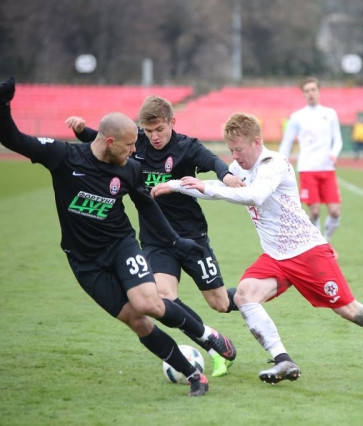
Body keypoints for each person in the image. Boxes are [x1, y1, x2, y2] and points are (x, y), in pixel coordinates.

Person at [151, 112, 363, 386]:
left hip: (308, 253)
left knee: (350, 311)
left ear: (256, 141)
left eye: (238, 149)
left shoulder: (275, 164)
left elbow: (254, 195)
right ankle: (283, 359)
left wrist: (206, 188)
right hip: (275, 257)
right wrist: (175, 185)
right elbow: (212, 185)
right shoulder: (238, 168)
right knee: (245, 295)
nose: (234, 156)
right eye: (230, 150)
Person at [0, 77, 236, 397]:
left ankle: (206, 336)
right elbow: (13, 139)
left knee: (150, 303)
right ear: (110, 142)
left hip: (121, 245)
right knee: (137, 321)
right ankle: (194, 375)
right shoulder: (63, 157)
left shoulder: (130, 168)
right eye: (130, 146)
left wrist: (175, 241)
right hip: (84, 261)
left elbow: (147, 205)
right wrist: (3, 106)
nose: (135, 151)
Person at [65, 95, 243, 377]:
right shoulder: (136, 143)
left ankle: (249, 295)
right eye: (148, 131)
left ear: (172, 122)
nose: (154, 137)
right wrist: (80, 131)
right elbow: (104, 141)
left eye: (159, 129)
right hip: (155, 239)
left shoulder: (187, 147)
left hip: (192, 236)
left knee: (219, 303)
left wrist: (228, 177)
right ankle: (213, 346)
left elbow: (213, 161)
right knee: (164, 298)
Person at [279, 77, 343, 243]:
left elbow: (338, 140)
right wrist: (280, 163)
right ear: (303, 94)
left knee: (335, 211)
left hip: (327, 168)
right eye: (307, 91)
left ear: (319, 91)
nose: (310, 93)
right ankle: (318, 245)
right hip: (307, 168)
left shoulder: (330, 114)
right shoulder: (297, 117)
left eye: (313, 90)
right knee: (314, 212)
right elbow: (287, 142)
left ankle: (326, 240)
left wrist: (334, 153)